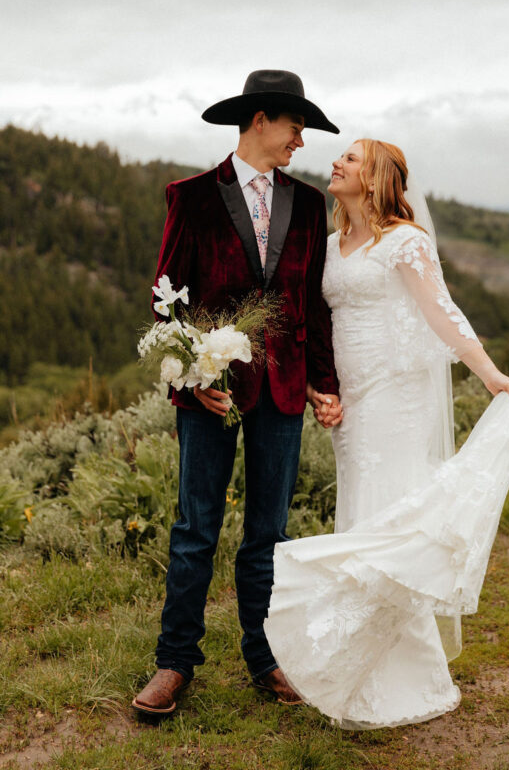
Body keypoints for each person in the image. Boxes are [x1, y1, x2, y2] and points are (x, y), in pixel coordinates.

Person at [264, 139, 509, 729]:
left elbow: (441, 312)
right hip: (353, 401)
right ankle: (358, 660)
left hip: (398, 397)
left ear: (378, 177)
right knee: (361, 513)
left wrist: (489, 375)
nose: (337, 163)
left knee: (391, 517)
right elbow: (321, 324)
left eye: (351, 159)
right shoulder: (331, 246)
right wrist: (322, 388)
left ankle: (405, 673)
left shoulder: (406, 241)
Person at [133, 70, 343, 716]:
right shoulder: (191, 198)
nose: (300, 141)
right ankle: (174, 663)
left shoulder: (307, 207)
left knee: (268, 533)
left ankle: (264, 656)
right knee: (195, 527)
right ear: (259, 121)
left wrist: (323, 384)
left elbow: (313, 305)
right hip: (210, 397)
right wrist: (193, 383)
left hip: (281, 391)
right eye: (294, 127)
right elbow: (167, 302)